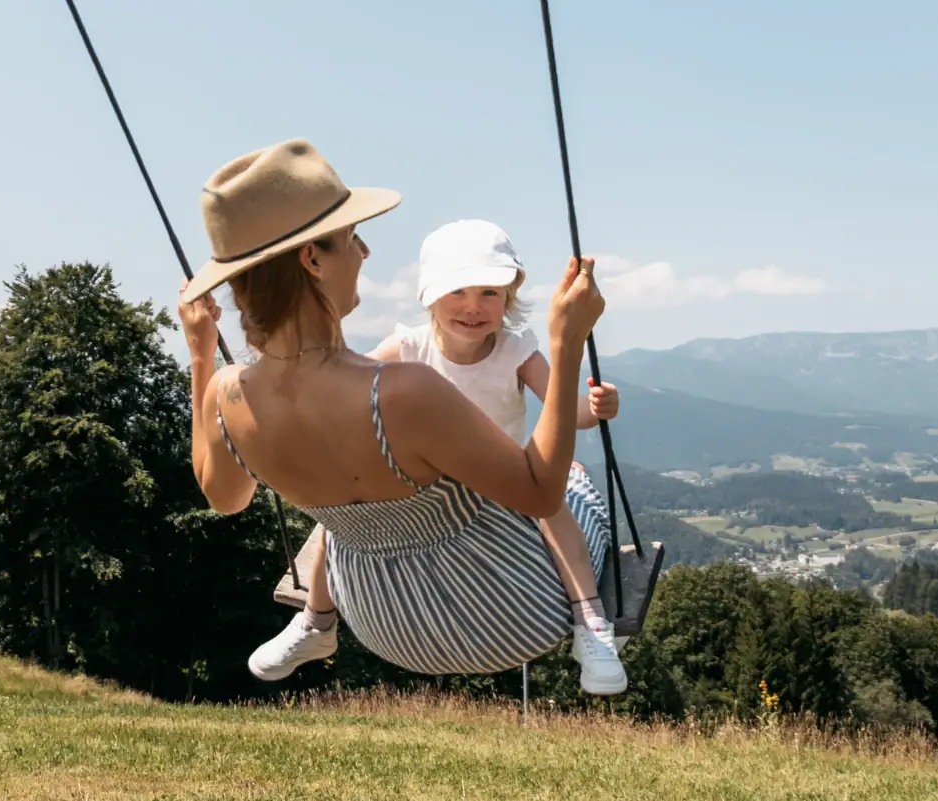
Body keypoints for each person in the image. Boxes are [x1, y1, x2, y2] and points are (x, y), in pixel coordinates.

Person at [177, 138, 627, 696]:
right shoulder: (403, 389)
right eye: (351, 239)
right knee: (574, 487)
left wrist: (201, 355)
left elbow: (224, 498)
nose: (364, 252)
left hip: (380, 624)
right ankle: (593, 621)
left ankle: (315, 625)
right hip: (509, 610)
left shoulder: (227, 395)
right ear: (312, 258)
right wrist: (568, 342)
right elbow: (538, 495)